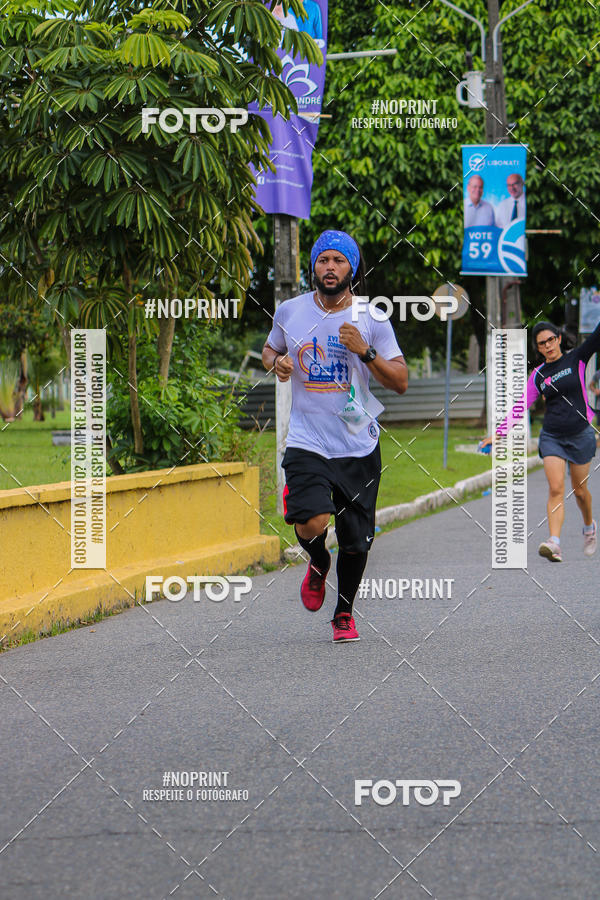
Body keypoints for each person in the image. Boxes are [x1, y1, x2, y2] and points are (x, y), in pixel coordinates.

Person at [262, 230, 407, 641]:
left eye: (338, 261)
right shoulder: (290, 311)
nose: (330, 267)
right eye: (323, 260)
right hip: (308, 438)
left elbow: (400, 381)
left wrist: (366, 350)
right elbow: (269, 349)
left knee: (357, 543)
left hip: (358, 443)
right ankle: (317, 559)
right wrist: (278, 363)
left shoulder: (372, 318)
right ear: (314, 267)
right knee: (311, 521)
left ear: (352, 268)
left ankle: (344, 613)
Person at [482, 321, 600, 561]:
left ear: (558, 339)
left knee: (580, 492)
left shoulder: (577, 357)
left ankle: (589, 527)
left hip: (580, 434)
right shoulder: (538, 375)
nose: (547, 346)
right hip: (552, 436)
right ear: (538, 348)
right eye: (541, 344)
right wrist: (498, 434)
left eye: (550, 340)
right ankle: (554, 542)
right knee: (556, 488)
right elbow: (520, 406)